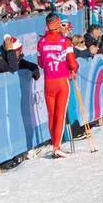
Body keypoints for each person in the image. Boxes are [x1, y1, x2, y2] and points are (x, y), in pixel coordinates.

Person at [37, 12, 78, 157]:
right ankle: (56, 147)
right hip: (62, 81)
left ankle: (56, 145)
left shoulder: (41, 42)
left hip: (48, 82)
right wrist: (73, 69)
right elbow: (72, 63)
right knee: (60, 114)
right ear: (57, 23)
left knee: (52, 115)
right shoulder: (65, 41)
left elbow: (40, 63)